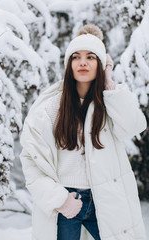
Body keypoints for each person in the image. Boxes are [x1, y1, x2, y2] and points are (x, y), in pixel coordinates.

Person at [20, 24, 147, 240]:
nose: (83, 62)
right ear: (68, 64)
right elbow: (31, 161)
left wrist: (108, 82)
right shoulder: (51, 107)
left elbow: (134, 126)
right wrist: (59, 199)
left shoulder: (109, 103)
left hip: (103, 201)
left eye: (91, 57)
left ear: (101, 63)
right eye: (76, 57)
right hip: (66, 202)